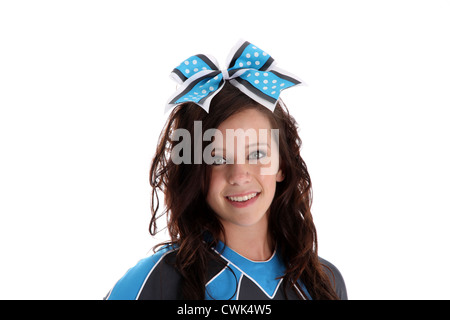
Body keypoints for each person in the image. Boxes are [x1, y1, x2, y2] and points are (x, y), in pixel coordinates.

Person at [105, 40, 347, 300]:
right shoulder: (158, 281)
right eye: (217, 158)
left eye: (257, 154)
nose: (240, 175)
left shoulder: (323, 281)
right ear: (196, 172)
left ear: (282, 165)